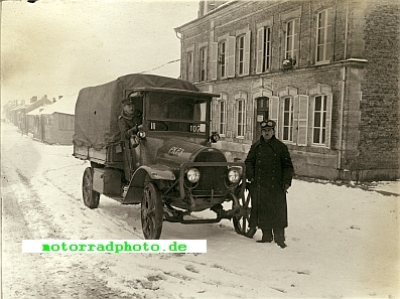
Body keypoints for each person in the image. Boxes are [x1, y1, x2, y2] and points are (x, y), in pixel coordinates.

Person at [244, 120, 294, 248]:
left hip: (276, 186)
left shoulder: (280, 147)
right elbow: (249, 162)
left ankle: (279, 238)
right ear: (261, 132)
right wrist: (251, 176)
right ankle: (266, 236)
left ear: (273, 132)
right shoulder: (256, 147)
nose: (267, 133)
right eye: (264, 131)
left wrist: (286, 182)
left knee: (278, 212)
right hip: (260, 186)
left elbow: (288, 166)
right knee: (263, 212)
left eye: (269, 131)